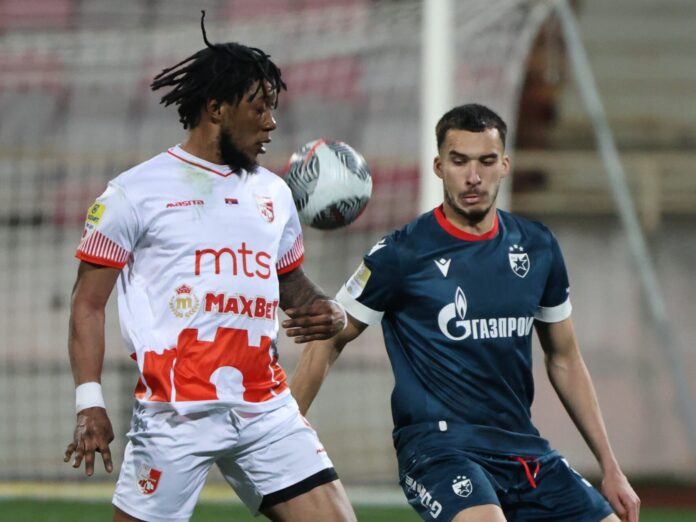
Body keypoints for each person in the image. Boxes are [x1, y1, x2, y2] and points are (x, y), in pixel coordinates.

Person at [63, 13, 357, 522]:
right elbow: (87, 303)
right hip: (176, 413)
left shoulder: (274, 194)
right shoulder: (135, 193)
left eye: (273, 108)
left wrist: (325, 309)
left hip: (265, 408)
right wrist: (90, 402)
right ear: (216, 108)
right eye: (259, 108)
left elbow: (289, 284)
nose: (272, 123)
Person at [291, 104, 641, 521]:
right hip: (438, 449)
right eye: (459, 161)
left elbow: (564, 358)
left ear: (505, 165)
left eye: (486, 161)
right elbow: (329, 340)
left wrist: (610, 467)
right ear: (439, 167)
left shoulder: (537, 247)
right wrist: (286, 434)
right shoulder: (402, 253)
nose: (473, 176)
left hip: (522, 448)